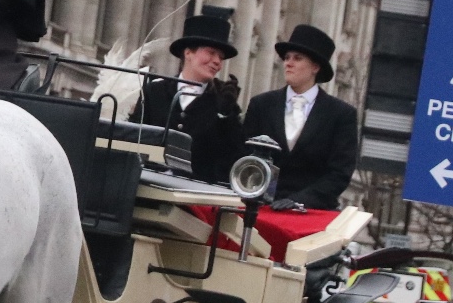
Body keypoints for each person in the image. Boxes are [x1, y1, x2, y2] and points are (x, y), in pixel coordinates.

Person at [237, 24, 359, 210]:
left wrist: (301, 200)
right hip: (261, 207)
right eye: (286, 58)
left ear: (315, 67)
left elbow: (339, 172)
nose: (288, 63)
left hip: (312, 212)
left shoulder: (340, 114)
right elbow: (244, 154)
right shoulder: (261, 105)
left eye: (297, 58)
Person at [132, 12, 242, 183]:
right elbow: (134, 137)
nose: (217, 62)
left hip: (194, 194)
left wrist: (225, 115)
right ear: (188, 52)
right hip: (148, 183)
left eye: (220, 57)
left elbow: (230, 157)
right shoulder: (155, 91)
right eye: (211, 53)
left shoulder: (223, 102)